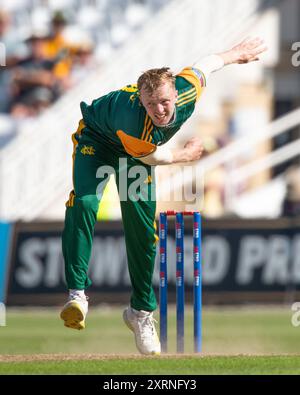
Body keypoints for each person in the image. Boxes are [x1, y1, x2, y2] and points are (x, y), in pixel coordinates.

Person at [60, 37, 267, 355]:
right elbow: (152, 157)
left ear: (174, 94)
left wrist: (233, 55)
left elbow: (204, 65)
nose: (158, 110)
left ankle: (140, 313)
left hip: (135, 154)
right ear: (141, 100)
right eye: (150, 104)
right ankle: (77, 295)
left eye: (164, 102)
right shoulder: (133, 120)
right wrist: (185, 155)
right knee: (85, 202)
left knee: (141, 229)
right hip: (98, 141)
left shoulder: (186, 91)